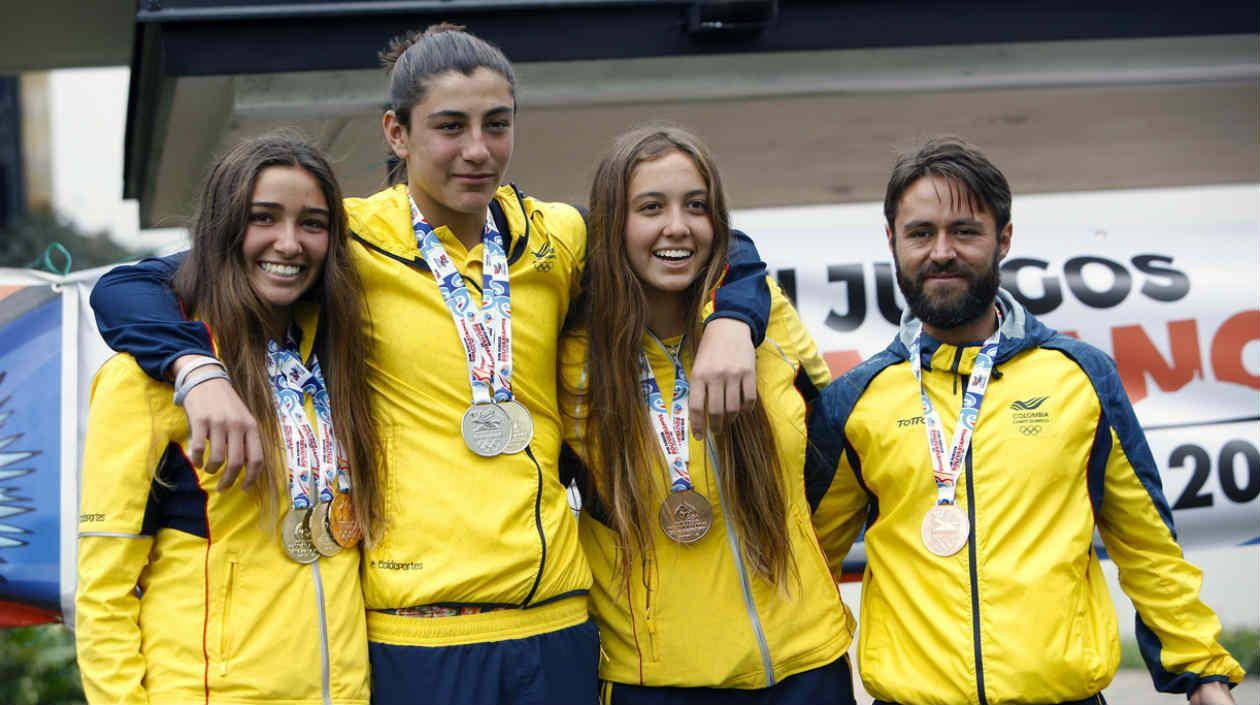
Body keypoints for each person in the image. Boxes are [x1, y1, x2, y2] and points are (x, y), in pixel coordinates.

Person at [87, 25, 773, 705]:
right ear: (397, 133)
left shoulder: (557, 236)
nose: (478, 150)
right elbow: (129, 287)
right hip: (418, 635)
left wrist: (732, 322)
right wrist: (197, 369)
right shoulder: (345, 240)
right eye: (450, 126)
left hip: (556, 621)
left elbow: (707, 241)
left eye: (496, 124)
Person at [807, 137, 1245, 705]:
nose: (942, 252)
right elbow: (807, 565)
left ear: (1004, 238)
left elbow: (1148, 546)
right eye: (920, 233)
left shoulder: (1083, 377)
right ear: (891, 241)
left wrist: (1205, 676)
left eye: (965, 231)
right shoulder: (855, 400)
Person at [75, 133, 383, 704]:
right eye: (262, 218)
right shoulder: (146, 380)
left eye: (312, 223)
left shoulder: (331, 362)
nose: (289, 243)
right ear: (222, 229)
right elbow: (104, 592)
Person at [559, 126, 856, 705]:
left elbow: (834, 454)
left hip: (807, 669)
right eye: (651, 208)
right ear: (612, 224)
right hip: (656, 682)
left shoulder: (765, 314)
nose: (678, 226)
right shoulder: (570, 357)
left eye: (696, 206)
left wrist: (734, 319)